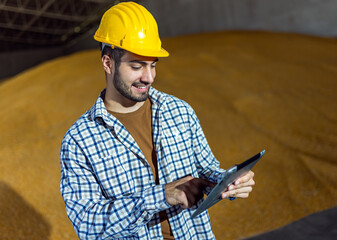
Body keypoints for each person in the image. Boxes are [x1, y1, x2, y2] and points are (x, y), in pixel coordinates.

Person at [60, 2, 255, 240]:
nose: (149, 77)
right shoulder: (79, 140)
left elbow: (205, 169)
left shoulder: (179, 111)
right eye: (136, 66)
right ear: (108, 62)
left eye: (153, 65)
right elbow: (87, 225)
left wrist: (228, 182)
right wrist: (161, 196)